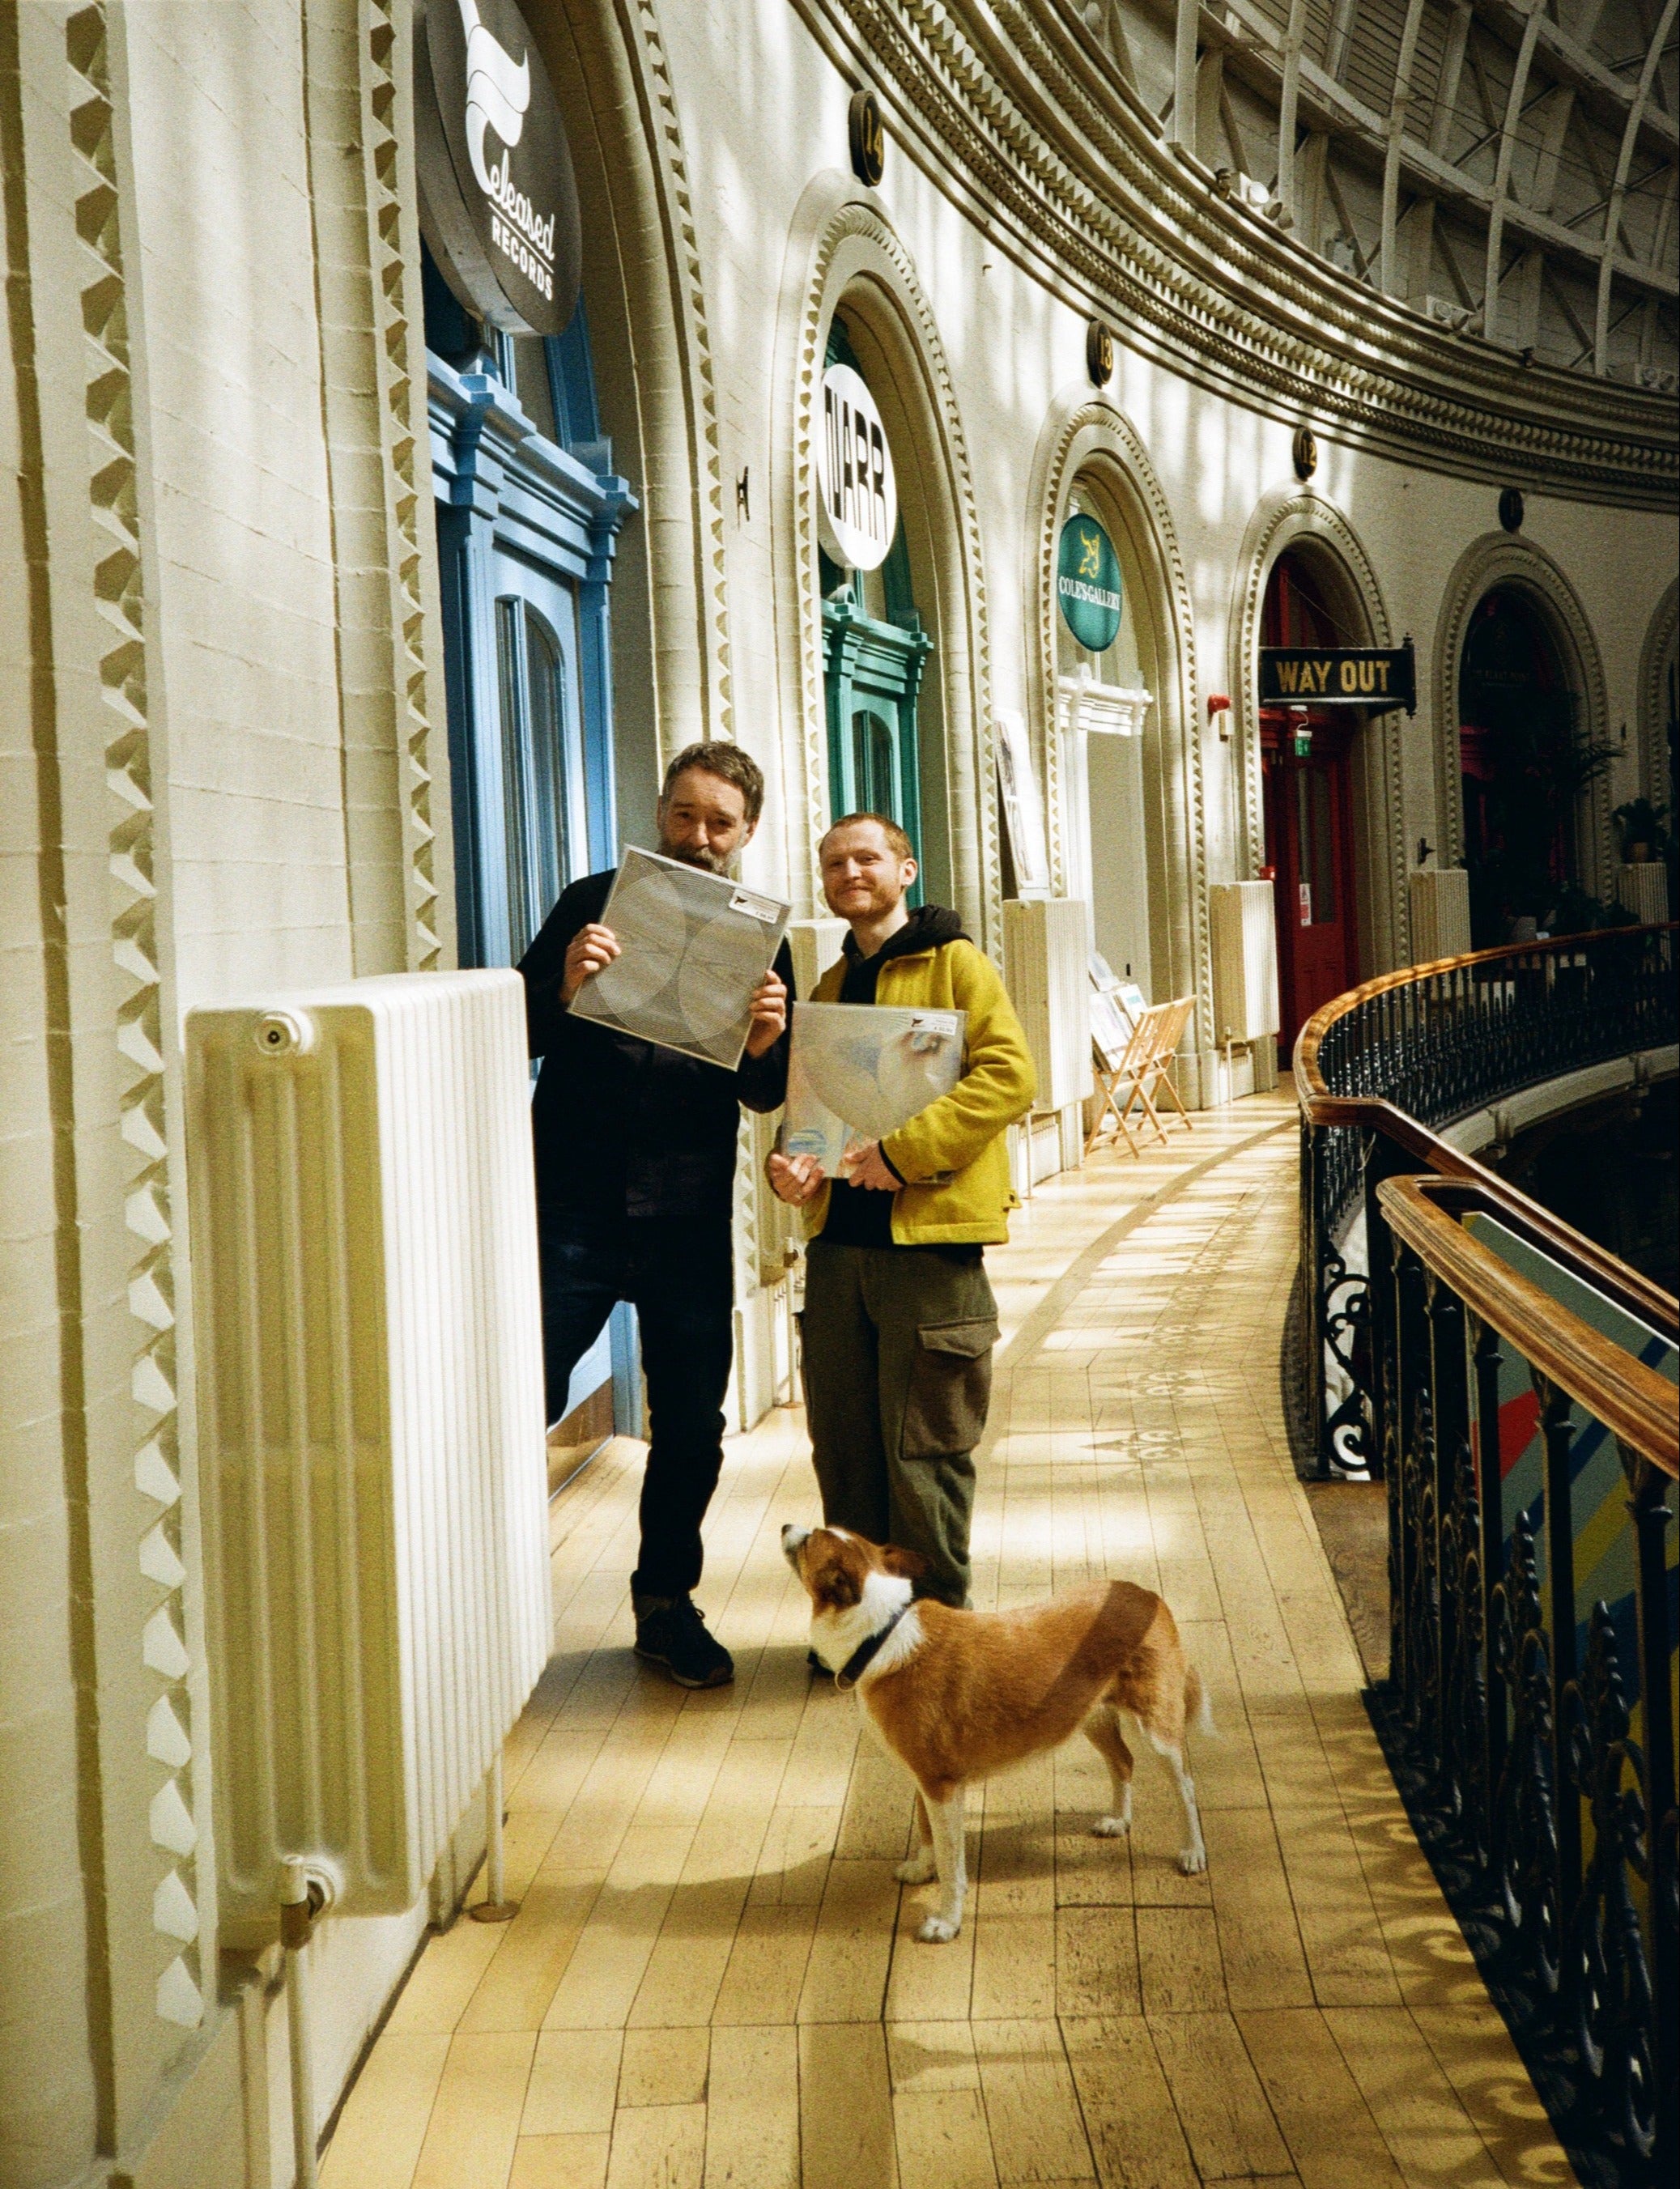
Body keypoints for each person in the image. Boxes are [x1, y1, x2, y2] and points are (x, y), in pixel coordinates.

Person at [519, 742, 793, 1688]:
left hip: (683, 1215)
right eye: (684, 815)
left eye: (720, 822)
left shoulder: (766, 936)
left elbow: (762, 1095)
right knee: (519, 1396)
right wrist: (560, 985)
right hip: (570, 1206)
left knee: (689, 1424)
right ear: (660, 811)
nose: (699, 836)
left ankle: (665, 1605)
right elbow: (510, 1028)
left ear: (747, 830)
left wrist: (765, 1041)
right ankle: (497, 1596)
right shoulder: (590, 901)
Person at [768, 814, 1035, 1612]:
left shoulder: (957, 964)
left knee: (924, 1453)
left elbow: (1008, 1075)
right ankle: (860, 1624)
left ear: (904, 869)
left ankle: (935, 1631)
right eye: (833, 862)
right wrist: (793, 1168)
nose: (849, 871)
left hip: (928, 1252)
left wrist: (903, 1155)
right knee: (845, 1457)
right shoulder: (826, 986)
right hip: (837, 1252)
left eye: (866, 857)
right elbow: (811, 1110)